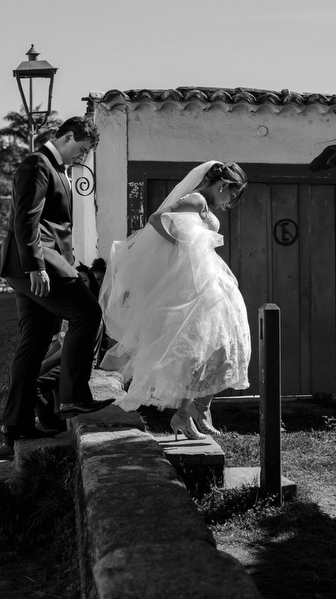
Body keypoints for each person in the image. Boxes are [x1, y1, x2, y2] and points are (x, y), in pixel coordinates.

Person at [0, 116, 115, 459]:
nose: (81, 157)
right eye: (81, 149)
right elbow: (26, 218)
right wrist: (36, 267)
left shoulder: (58, 170)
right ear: (68, 136)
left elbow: (56, 225)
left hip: (37, 264)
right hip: (35, 263)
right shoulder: (36, 163)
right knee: (88, 313)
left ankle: (15, 428)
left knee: (34, 344)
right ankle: (73, 395)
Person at [99, 161, 251, 440]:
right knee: (203, 345)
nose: (229, 202)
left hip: (206, 276)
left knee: (221, 341)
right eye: (231, 195)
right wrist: (177, 245)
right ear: (222, 185)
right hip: (193, 280)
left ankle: (193, 412)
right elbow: (157, 219)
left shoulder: (202, 202)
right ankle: (187, 413)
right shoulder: (195, 198)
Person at [34, 263, 105, 433]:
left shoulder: (90, 312)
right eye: (77, 281)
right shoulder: (71, 309)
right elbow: (60, 342)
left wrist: (42, 366)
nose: (80, 285)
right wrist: (41, 362)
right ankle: (48, 417)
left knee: (32, 382)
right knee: (30, 375)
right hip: (65, 360)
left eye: (84, 281)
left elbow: (68, 352)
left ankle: (51, 424)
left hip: (78, 362)